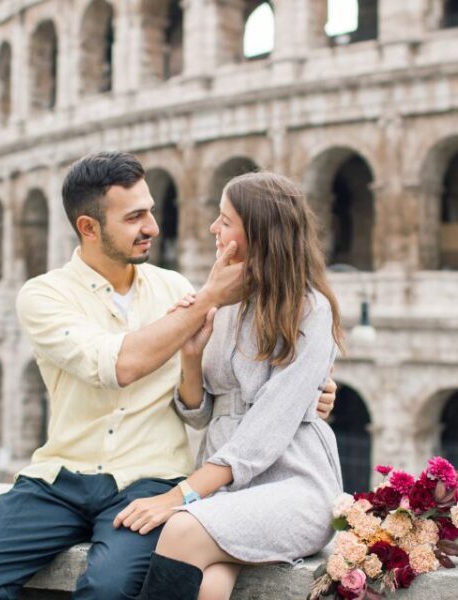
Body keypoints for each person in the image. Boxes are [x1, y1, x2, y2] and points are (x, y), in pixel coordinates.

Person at [0, 151, 337, 600]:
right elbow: (123, 367)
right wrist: (202, 323)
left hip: (153, 478)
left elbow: (248, 394)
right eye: (135, 217)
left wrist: (311, 392)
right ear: (89, 227)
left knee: (110, 589)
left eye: (150, 210)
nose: (153, 226)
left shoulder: (179, 290)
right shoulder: (44, 295)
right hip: (60, 478)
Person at [115, 172, 345, 600]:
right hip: (228, 486)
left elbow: (267, 429)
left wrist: (179, 495)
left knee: (182, 526)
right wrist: (191, 356)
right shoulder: (221, 301)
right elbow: (200, 413)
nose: (212, 229)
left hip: (292, 483)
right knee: (210, 583)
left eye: (224, 220)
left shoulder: (310, 310)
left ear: (259, 231)